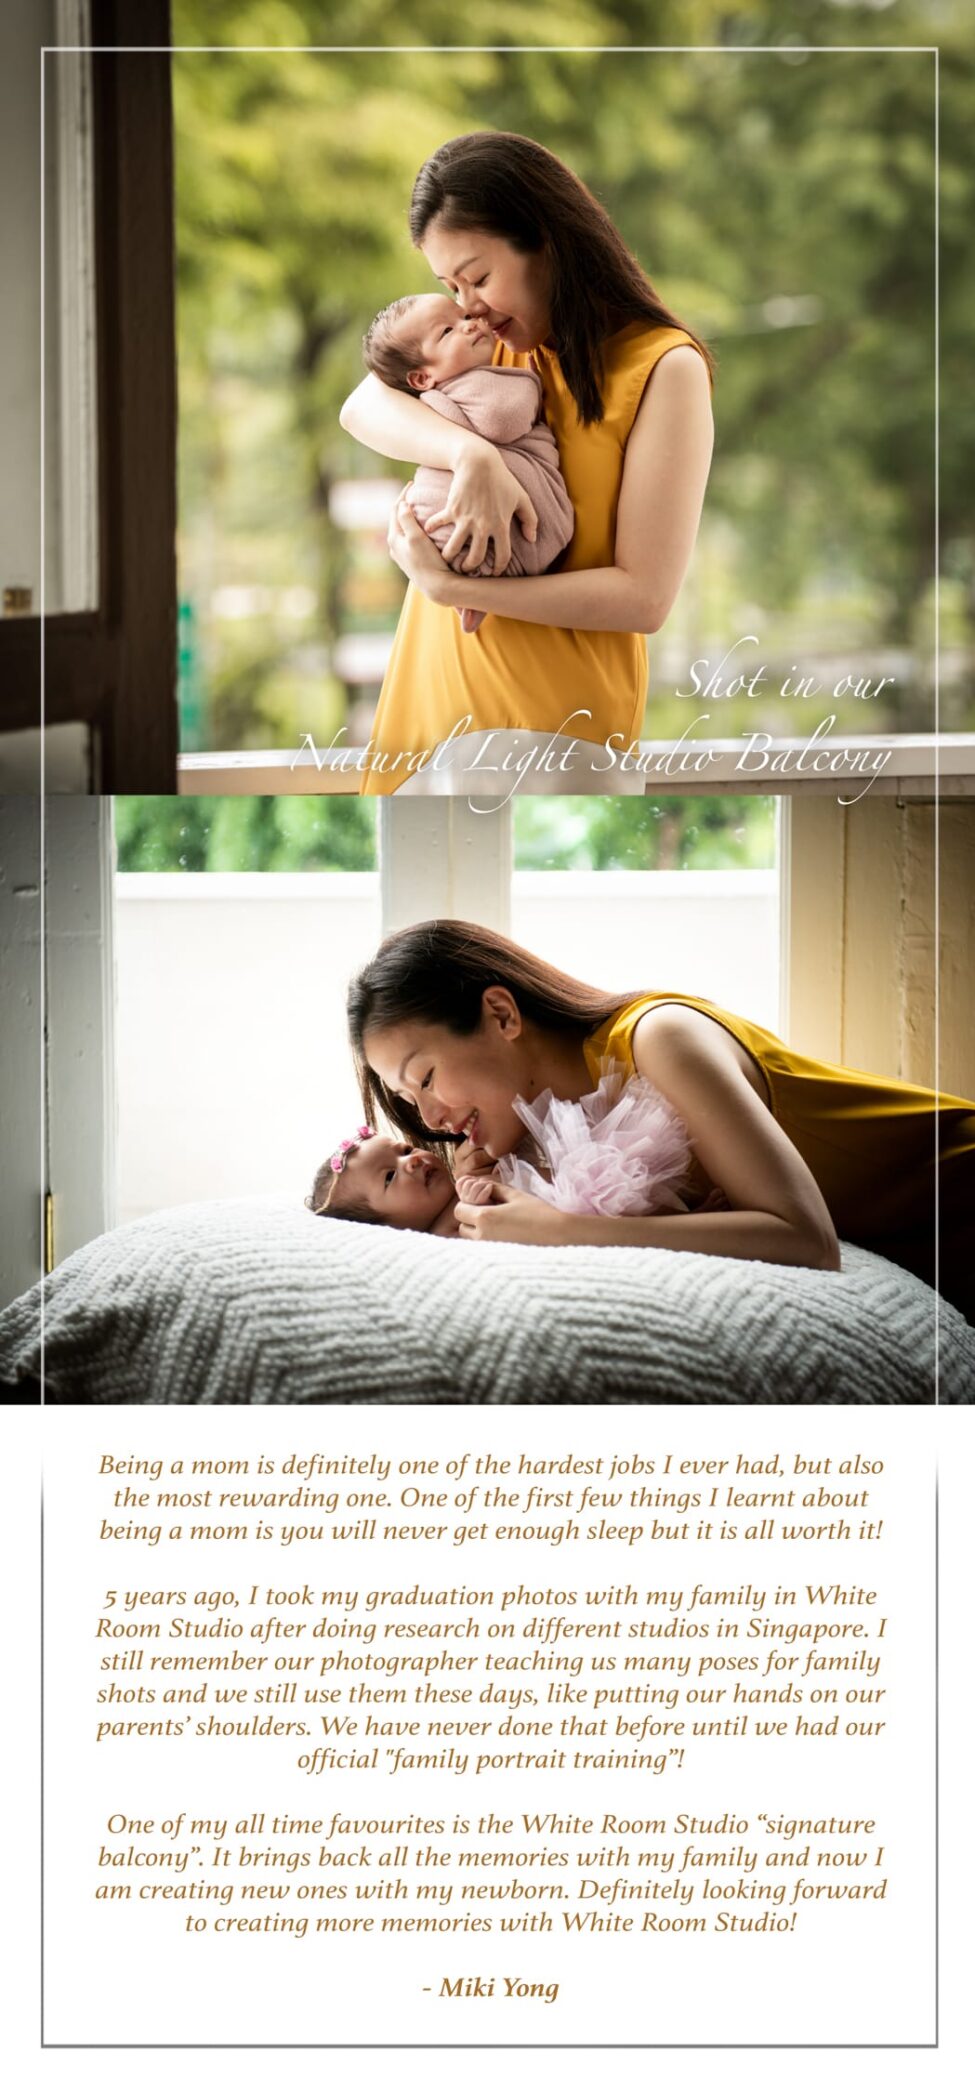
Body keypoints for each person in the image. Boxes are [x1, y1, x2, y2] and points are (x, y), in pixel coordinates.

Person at [345, 920, 975, 1321]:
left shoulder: (659, 1038)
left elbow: (807, 1240)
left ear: (502, 1015)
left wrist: (564, 1230)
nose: (427, 1117)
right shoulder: (545, 1139)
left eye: (425, 1078)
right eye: (407, 1096)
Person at [339, 132, 714, 794]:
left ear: (546, 239)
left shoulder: (661, 367)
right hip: (423, 708)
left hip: (553, 730)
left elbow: (644, 597)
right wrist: (469, 453)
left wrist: (458, 589)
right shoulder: (479, 349)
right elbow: (361, 405)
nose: (468, 306)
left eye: (478, 277)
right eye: (450, 287)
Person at [361, 292, 574, 632]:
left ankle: (474, 599)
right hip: (465, 527)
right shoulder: (472, 388)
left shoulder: (425, 400)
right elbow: (505, 419)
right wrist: (535, 386)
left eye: (462, 317)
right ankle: (478, 590)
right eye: (447, 332)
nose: (470, 324)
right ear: (421, 379)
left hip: (441, 538)